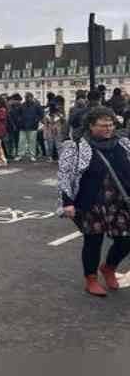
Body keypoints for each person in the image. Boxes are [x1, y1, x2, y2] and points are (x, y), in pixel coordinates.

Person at [57, 107, 130, 297]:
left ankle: (109, 267)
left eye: (111, 124)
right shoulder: (76, 147)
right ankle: (91, 278)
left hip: (119, 200)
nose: (108, 128)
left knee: (126, 240)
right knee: (93, 241)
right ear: (91, 125)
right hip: (91, 202)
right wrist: (67, 202)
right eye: (103, 125)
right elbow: (65, 176)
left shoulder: (123, 144)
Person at [17, 92, 44, 162]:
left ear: (31, 97)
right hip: (23, 126)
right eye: (26, 97)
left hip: (33, 126)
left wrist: (36, 120)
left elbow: (41, 114)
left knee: (32, 142)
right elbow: (18, 114)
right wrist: (20, 120)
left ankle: (32, 155)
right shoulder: (22, 105)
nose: (26, 98)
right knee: (21, 141)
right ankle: (20, 155)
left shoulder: (36, 105)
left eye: (28, 97)